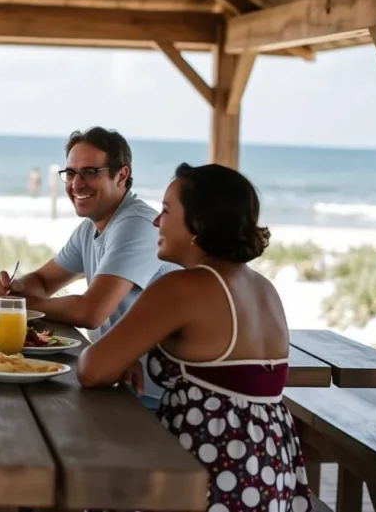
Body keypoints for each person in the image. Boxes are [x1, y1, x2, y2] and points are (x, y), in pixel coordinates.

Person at [76, 163, 313, 512]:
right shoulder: (263, 288)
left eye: (167, 211)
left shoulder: (183, 287)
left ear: (198, 224)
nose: (156, 222)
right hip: (268, 472)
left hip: (209, 473)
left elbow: (92, 369)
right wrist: (127, 355)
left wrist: (121, 355)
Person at [0, 127, 177, 407]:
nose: (76, 184)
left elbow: (92, 312)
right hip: (113, 383)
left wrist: (18, 304)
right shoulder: (89, 229)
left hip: (153, 397)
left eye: (90, 172)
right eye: (71, 173)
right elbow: (42, 280)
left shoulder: (137, 224)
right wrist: (13, 286)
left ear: (121, 175)